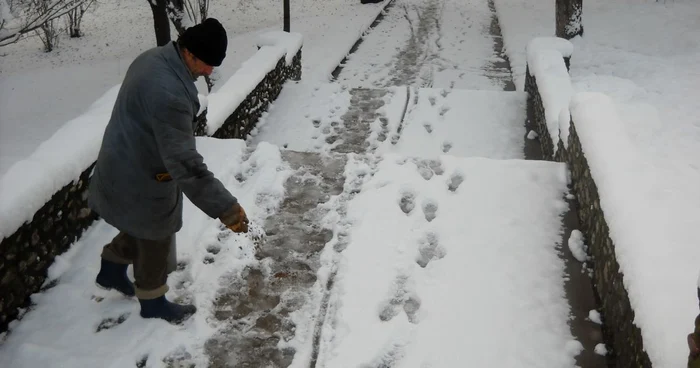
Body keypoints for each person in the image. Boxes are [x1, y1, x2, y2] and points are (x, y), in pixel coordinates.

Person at [88, 18, 249, 324]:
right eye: (206, 64)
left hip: (121, 159)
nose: (209, 72)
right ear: (188, 52)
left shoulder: (153, 57)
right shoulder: (170, 94)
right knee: (156, 234)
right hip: (141, 172)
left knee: (141, 224)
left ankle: (110, 270)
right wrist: (226, 208)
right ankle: (153, 303)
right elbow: (186, 164)